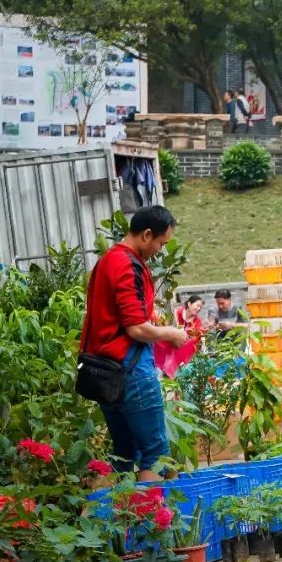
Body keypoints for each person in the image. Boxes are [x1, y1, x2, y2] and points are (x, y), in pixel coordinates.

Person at [80, 206, 189, 480]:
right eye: (161, 244)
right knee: (155, 454)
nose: (160, 251)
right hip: (129, 370)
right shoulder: (127, 265)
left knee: (125, 453)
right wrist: (170, 333)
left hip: (105, 373)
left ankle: (122, 518)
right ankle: (152, 520)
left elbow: (118, 315)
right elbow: (136, 329)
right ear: (147, 235)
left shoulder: (108, 260)